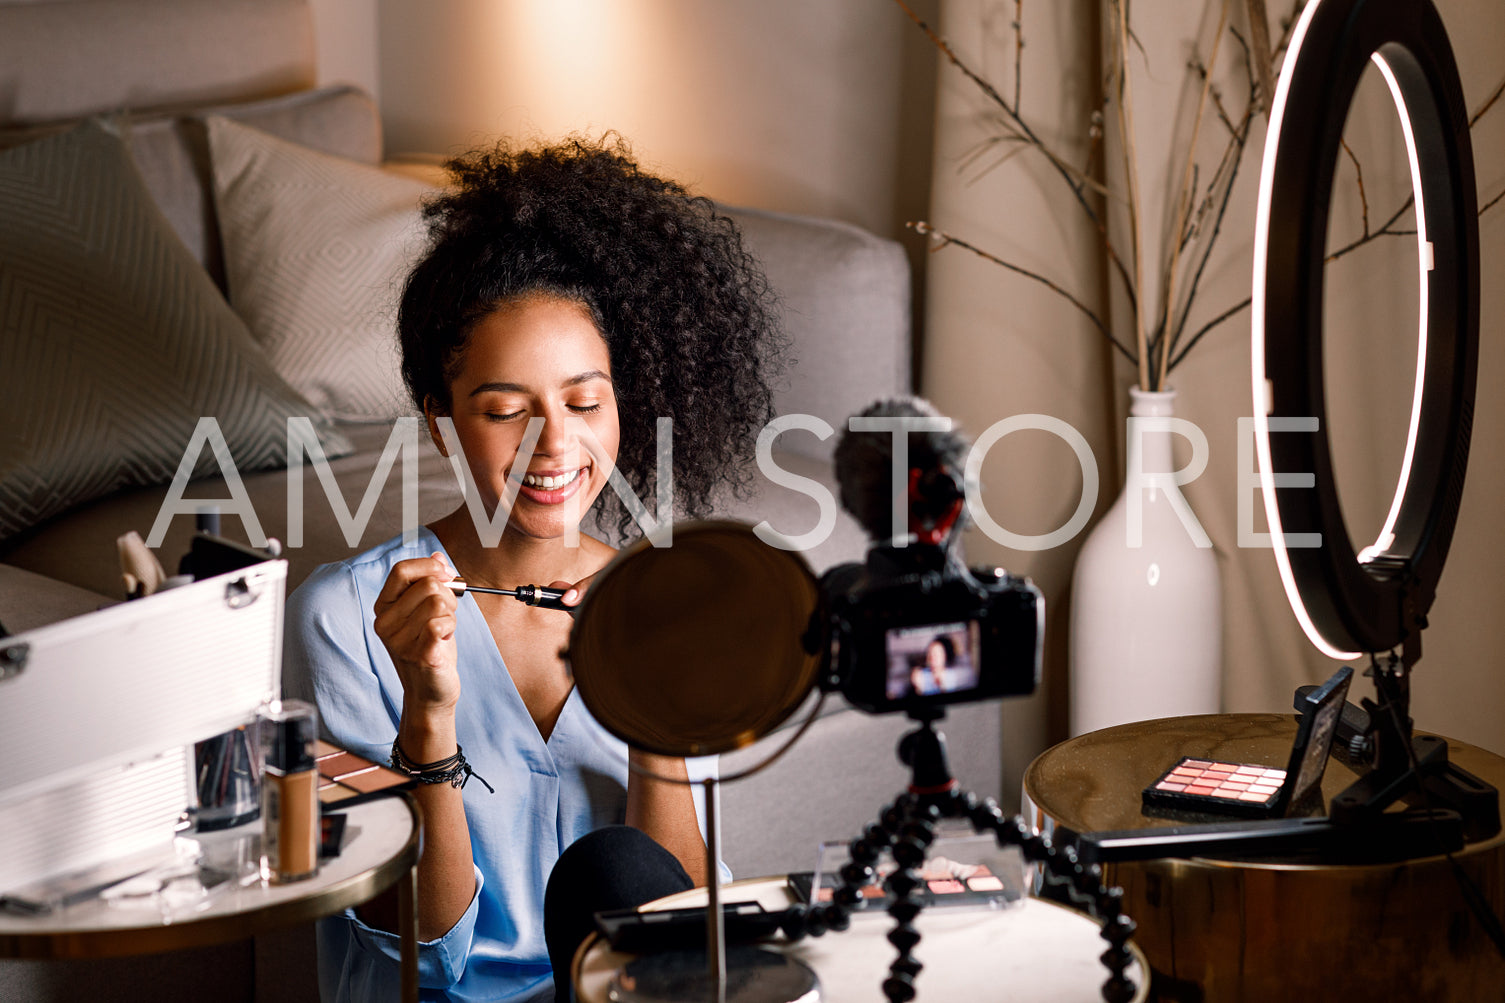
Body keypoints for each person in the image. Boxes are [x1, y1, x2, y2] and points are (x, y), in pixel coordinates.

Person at [282, 135, 784, 1003]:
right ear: (443, 423)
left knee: (629, 871)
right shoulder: (347, 616)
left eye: (585, 401)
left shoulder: (659, 602)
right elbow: (422, 952)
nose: (555, 444)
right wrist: (428, 720)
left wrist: (651, 714)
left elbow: (674, 929)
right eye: (507, 410)